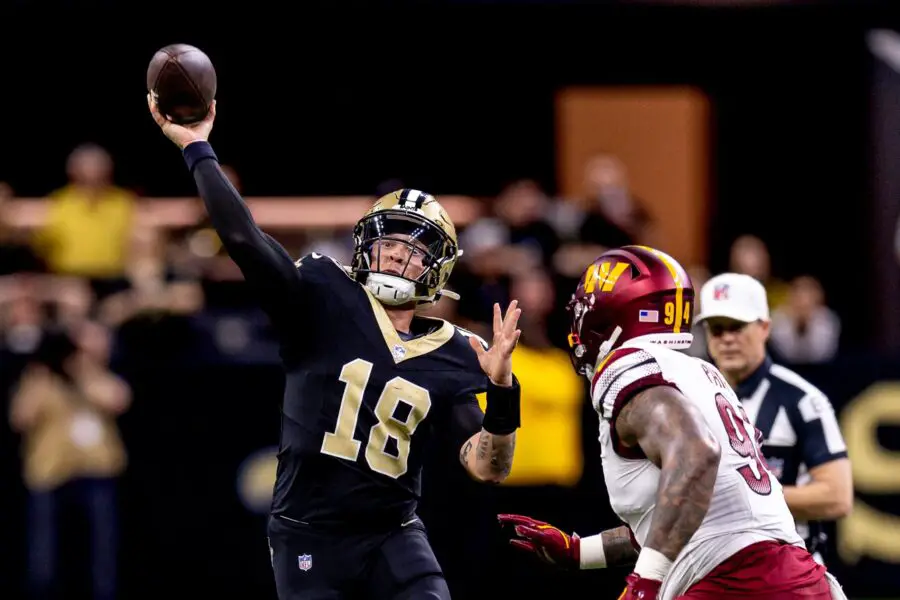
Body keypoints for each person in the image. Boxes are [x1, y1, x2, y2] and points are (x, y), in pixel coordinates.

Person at [147, 97, 523, 600]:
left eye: (414, 247)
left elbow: (488, 467)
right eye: (390, 239)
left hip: (394, 533)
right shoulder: (324, 294)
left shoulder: (456, 351)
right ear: (367, 243)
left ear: (436, 270)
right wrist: (197, 146)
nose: (396, 251)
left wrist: (501, 392)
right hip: (309, 532)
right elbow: (244, 239)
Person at [497, 246, 845, 599]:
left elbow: (696, 454)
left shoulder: (627, 367)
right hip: (795, 578)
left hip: (737, 580)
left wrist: (645, 583)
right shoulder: (700, 373)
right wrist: (579, 551)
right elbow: (681, 518)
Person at [695, 272, 852, 564]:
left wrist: (742, 497)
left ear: (765, 328)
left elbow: (838, 496)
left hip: (791, 568)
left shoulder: (803, 400)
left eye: (737, 327)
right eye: (717, 329)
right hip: (713, 568)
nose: (727, 338)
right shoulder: (689, 395)